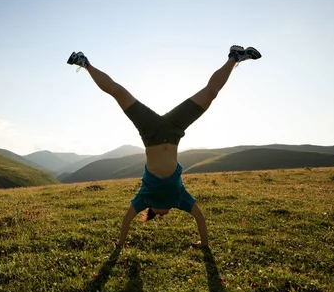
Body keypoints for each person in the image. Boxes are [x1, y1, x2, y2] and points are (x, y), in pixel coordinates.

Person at [67, 45, 261, 249]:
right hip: (173, 130)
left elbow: (127, 221)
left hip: (150, 132)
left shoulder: (144, 198)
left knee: (118, 92)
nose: (163, 208)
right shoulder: (178, 199)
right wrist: (203, 243)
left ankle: (85, 63)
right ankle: (234, 57)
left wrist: (120, 243)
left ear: (151, 209)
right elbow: (199, 218)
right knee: (210, 93)